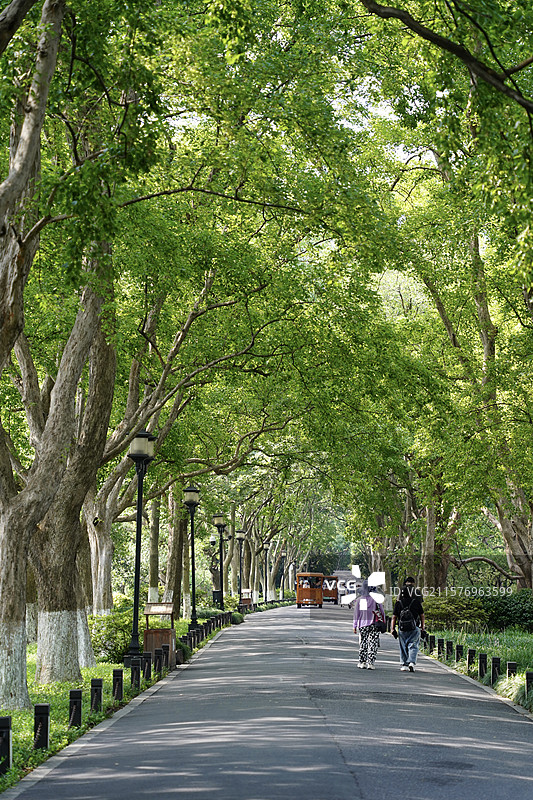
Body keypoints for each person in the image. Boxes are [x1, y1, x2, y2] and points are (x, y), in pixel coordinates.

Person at [390, 576, 425, 672]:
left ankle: (404, 664)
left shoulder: (399, 603)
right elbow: (422, 614)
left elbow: (394, 617)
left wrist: (392, 629)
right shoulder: (416, 600)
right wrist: (423, 626)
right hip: (415, 626)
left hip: (402, 627)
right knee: (413, 645)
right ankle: (412, 662)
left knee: (403, 645)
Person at [353, 579, 386, 670]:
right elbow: (382, 612)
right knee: (373, 643)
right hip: (374, 624)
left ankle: (362, 662)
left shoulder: (360, 600)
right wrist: (384, 622)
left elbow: (357, 614)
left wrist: (355, 626)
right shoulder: (376, 600)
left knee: (363, 642)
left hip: (362, 624)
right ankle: (370, 663)